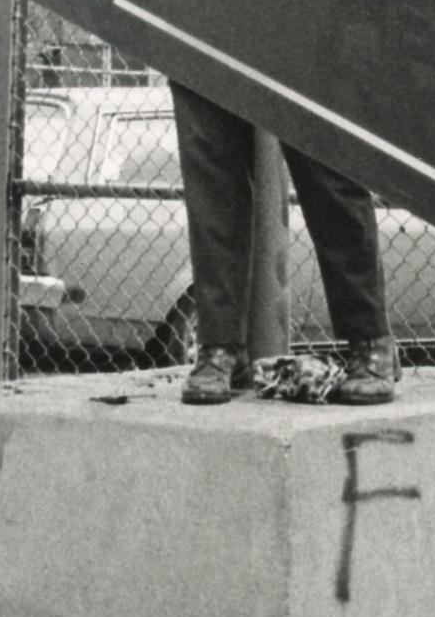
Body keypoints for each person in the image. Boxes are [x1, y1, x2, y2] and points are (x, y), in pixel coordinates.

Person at [170, 81, 398, 408]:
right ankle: (220, 347)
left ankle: (372, 341)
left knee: (328, 162)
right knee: (212, 178)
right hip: (206, 33)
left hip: (302, 36)